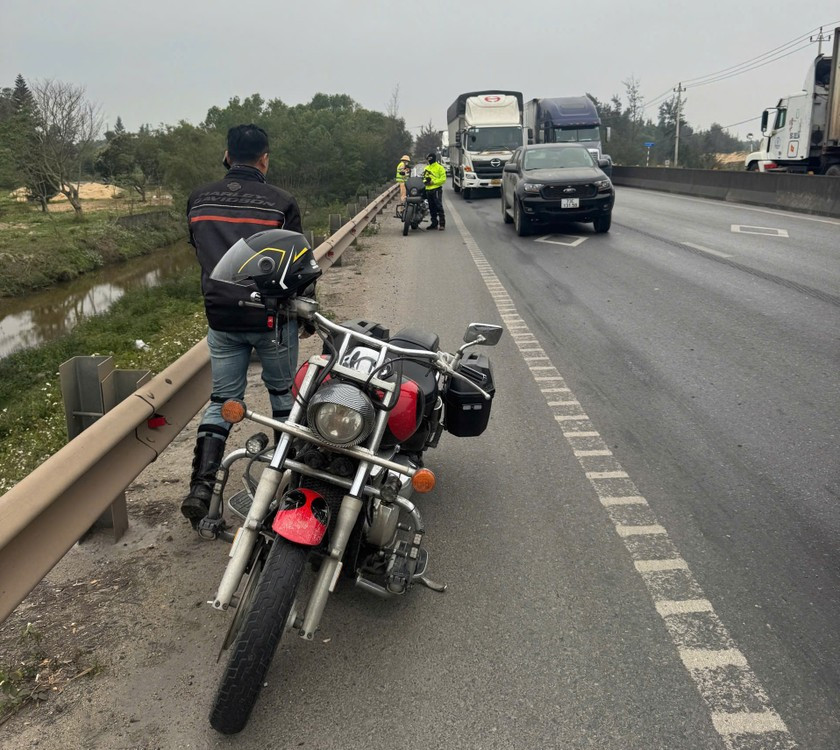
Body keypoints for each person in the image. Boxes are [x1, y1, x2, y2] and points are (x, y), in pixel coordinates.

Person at [180, 124, 303, 526]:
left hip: (222, 318)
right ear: (265, 158)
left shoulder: (198, 199)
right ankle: (289, 482)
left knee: (222, 401)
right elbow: (297, 265)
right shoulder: (281, 202)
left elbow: (199, 248)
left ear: (227, 155)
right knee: (283, 395)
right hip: (271, 318)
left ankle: (202, 486)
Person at [422, 152, 447, 230]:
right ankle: (434, 223)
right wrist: (425, 182)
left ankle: (442, 224)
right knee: (431, 207)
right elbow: (423, 178)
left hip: (436, 189)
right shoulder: (427, 168)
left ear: (432, 158)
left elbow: (443, 179)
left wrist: (433, 182)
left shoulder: (440, 168)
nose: (428, 161)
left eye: (428, 159)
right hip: (428, 189)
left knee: (438, 206)